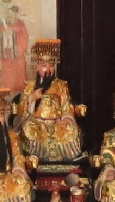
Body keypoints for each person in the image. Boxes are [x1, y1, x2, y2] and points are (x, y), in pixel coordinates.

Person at [21, 36, 83, 169]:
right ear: (37, 67)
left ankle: (68, 160)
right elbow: (24, 111)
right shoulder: (30, 86)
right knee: (29, 129)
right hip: (38, 123)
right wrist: (32, 98)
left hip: (58, 123)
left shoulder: (61, 85)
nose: (48, 69)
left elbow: (66, 106)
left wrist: (66, 119)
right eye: (44, 66)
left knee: (71, 131)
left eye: (51, 66)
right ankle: (35, 159)